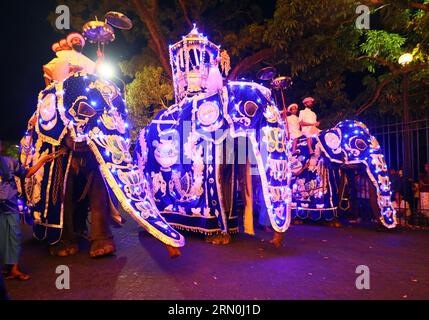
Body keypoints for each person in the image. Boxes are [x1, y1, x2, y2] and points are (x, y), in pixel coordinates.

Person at [0, 139, 61, 280]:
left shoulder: (10, 162)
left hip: (10, 205)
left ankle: (14, 268)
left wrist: (42, 161)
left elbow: (26, 173)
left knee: (14, 237)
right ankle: (7, 266)